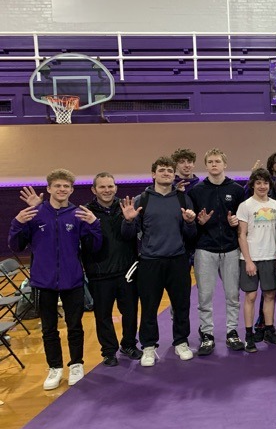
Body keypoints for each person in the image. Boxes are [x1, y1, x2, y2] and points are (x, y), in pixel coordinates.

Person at [9, 170, 102, 390]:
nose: (62, 190)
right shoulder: (35, 214)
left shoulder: (78, 214)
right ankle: (55, 367)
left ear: (71, 189)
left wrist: (94, 225)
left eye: (66, 186)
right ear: (49, 188)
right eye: (58, 186)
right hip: (43, 282)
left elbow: (94, 247)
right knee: (49, 328)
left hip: (73, 281)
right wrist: (17, 223)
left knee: (75, 326)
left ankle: (77, 363)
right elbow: (16, 246)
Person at [121, 156, 197, 367]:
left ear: (174, 175)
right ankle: (148, 346)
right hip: (150, 262)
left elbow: (190, 234)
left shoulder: (182, 199)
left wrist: (190, 224)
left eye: (170, 171)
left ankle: (181, 341)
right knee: (149, 307)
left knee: (181, 305)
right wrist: (128, 221)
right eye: (162, 170)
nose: (166, 173)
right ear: (153, 174)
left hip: (178, 261)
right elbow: (128, 235)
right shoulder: (141, 200)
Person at [188, 149, 245, 355]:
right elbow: (190, 223)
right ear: (206, 165)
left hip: (230, 249)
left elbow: (243, 219)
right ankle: (207, 335)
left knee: (232, 295)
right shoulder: (196, 191)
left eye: (217, 161)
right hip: (205, 249)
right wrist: (198, 222)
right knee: (205, 296)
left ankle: (232, 332)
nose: (214, 164)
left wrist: (235, 222)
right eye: (210, 161)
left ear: (225, 164)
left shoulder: (238, 190)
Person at [81, 172, 142, 366]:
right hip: (99, 274)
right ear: (94, 190)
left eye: (110, 186)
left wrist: (129, 220)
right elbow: (87, 244)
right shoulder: (86, 212)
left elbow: (131, 237)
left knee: (131, 312)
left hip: (127, 271)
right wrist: (92, 225)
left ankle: (129, 344)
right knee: (103, 315)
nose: (107, 190)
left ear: (115, 188)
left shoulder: (125, 207)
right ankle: (108, 351)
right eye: (102, 187)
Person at [237, 168, 276, 352]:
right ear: (253, 185)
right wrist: (248, 260)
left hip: (270, 256)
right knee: (251, 296)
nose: (262, 186)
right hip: (251, 257)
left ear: (269, 185)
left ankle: (269, 330)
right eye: (258, 183)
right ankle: (249, 335)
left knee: (270, 295)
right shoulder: (245, 206)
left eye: (265, 183)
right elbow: (242, 234)